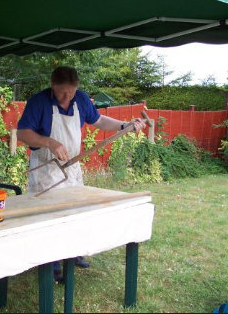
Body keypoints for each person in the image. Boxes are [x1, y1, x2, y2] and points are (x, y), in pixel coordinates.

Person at [17, 66, 146, 283]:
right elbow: (23, 133)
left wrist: (124, 125)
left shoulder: (82, 100)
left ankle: (72, 253)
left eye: (70, 92)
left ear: (76, 88)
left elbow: (99, 121)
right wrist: (48, 141)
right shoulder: (38, 102)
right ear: (52, 85)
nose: (66, 97)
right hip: (47, 168)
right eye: (61, 92)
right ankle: (52, 262)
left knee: (76, 211)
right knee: (51, 216)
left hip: (72, 167)